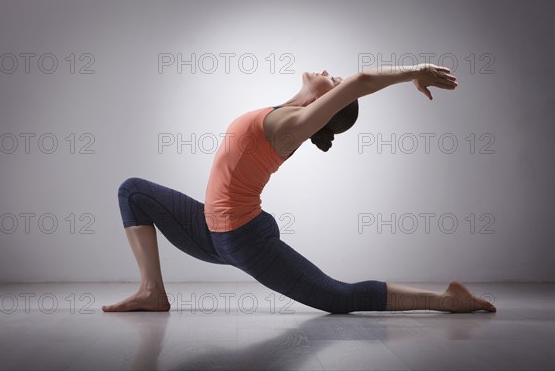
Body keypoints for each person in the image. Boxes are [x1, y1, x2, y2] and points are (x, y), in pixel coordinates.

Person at [102, 64, 497, 314]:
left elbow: (360, 81)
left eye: (335, 80)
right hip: (210, 231)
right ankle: (152, 292)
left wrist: (415, 70)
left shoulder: (291, 128)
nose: (332, 72)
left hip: (243, 239)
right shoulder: (287, 112)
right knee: (133, 192)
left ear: (328, 102)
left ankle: (447, 301)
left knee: (339, 298)